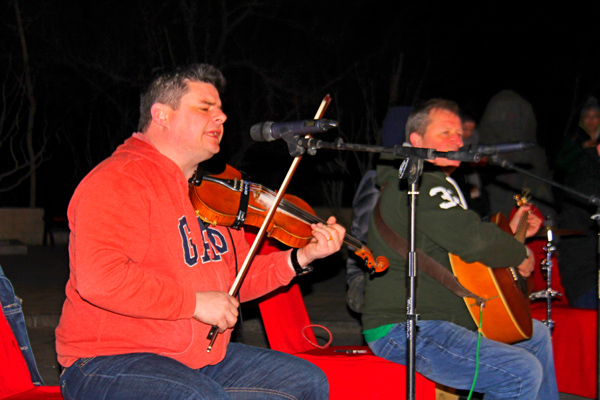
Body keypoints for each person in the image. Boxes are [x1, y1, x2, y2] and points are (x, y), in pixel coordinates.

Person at [54, 64, 345, 400]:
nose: (220, 117)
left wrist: (302, 256)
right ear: (161, 114)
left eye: (221, 110)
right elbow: (100, 279)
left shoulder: (215, 195)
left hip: (194, 360)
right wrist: (192, 303)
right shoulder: (119, 179)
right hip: (108, 359)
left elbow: (235, 282)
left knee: (305, 382)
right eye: (205, 108)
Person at [361, 99, 558, 400]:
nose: (457, 140)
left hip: (440, 319)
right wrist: (520, 254)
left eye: (459, 134)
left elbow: (463, 241)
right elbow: (473, 240)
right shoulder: (422, 183)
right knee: (521, 372)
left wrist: (511, 235)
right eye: (445, 133)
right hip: (405, 327)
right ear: (416, 141)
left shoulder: (427, 183)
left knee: (536, 335)